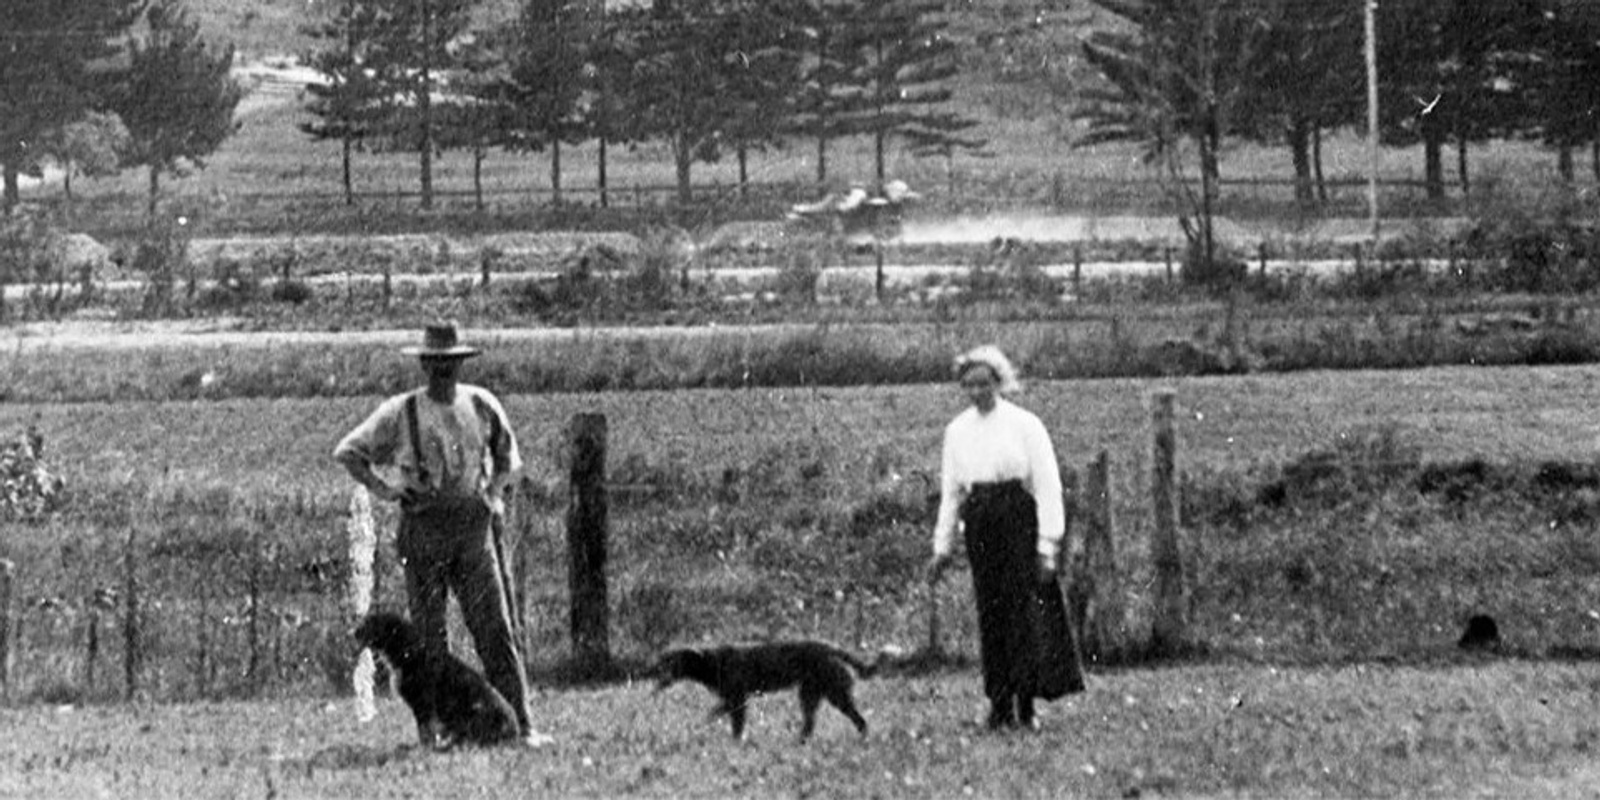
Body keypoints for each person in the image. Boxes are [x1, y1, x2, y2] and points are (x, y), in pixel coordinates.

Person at [334, 320, 552, 749]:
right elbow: (348, 452)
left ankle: (519, 725)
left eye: (449, 363)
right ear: (423, 365)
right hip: (424, 534)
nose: (442, 371)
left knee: (495, 632)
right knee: (429, 644)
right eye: (434, 363)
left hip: (473, 532)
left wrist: (491, 494)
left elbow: (509, 461)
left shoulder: (482, 405)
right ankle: (438, 732)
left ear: (461, 363)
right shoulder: (402, 411)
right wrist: (387, 489)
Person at [926, 345, 1084, 731]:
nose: (977, 392)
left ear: (999, 381)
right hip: (980, 523)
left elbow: (1047, 486)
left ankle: (1026, 707)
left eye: (984, 383)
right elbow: (951, 494)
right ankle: (998, 706)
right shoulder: (957, 431)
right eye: (969, 386)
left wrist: (1048, 546)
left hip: (1017, 518)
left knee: (1023, 613)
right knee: (991, 613)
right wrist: (942, 548)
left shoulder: (1026, 425)